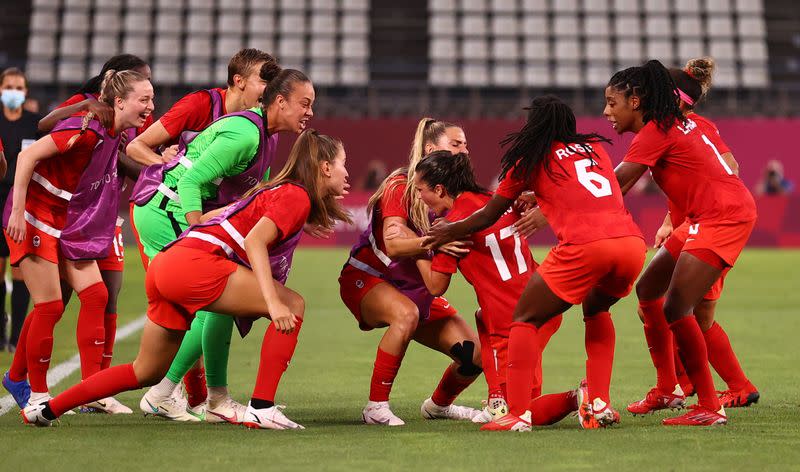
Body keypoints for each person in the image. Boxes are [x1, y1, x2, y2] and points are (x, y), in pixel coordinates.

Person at [21, 129, 351, 429]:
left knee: (144, 371)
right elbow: (254, 242)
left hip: (169, 263)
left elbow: (217, 220)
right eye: (342, 164)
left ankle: (47, 409)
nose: (346, 172)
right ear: (324, 167)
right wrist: (273, 302)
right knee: (293, 303)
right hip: (194, 264)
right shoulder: (296, 195)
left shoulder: (281, 192)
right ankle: (261, 407)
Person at [425, 95, 646, 431]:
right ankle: (598, 401)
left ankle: (516, 414)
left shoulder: (529, 157)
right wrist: (542, 199)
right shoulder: (594, 149)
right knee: (598, 310)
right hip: (631, 244)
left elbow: (488, 214)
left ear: (536, 126)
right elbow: (597, 188)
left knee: (524, 318)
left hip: (585, 245)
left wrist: (448, 230)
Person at [132, 68, 313, 424]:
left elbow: (248, 197)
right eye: (305, 104)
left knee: (219, 303)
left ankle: (203, 396)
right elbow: (190, 182)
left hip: (186, 212)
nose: (310, 112)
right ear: (278, 100)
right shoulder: (244, 133)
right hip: (169, 209)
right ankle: (171, 392)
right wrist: (200, 232)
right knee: (213, 301)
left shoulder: (266, 136)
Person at [606, 60, 757, 426]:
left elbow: (617, 187)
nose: (606, 112)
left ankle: (709, 405)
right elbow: (729, 165)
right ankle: (669, 387)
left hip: (722, 217)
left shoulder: (657, 130)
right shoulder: (678, 124)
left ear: (637, 102)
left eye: (612, 102)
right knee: (649, 290)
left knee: (678, 309)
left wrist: (554, 199)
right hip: (701, 218)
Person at [1, 70, 154, 412]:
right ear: (118, 101)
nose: (150, 106)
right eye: (143, 99)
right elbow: (27, 157)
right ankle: (38, 397)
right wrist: (17, 211)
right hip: (34, 212)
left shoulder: (115, 132)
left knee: (96, 294)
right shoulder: (87, 128)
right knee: (51, 305)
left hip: (61, 216)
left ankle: (88, 390)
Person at [410, 150, 578, 427]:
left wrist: (420, 250)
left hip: (512, 322)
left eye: (420, 190)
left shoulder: (452, 226)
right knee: (481, 317)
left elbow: (436, 286)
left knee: (521, 413)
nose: (419, 197)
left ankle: (579, 398)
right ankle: (495, 400)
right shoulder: (494, 200)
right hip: (545, 301)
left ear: (439, 189)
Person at [339, 117, 485, 427]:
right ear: (432, 149)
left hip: (416, 292)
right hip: (368, 278)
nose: (465, 150)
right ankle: (375, 407)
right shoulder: (400, 185)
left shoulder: (456, 195)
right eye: (456, 144)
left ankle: (438, 406)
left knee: (475, 358)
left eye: (466, 144)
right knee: (405, 315)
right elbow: (393, 244)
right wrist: (436, 242)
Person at [127, 48, 276, 167]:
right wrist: (167, 164)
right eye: (264, 82)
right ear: (239, 81)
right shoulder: (198, 104)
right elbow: (135, 146)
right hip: (160, 201)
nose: (271, 90)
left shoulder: (258, 123)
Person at [0, 68, 36, 353]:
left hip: (23, 204)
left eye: (18, 87)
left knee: (20, 271)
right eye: (8, 86)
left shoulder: (35, 125)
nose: (13, 91)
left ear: (25, 92)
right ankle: (1, 331)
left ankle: (16, 338)